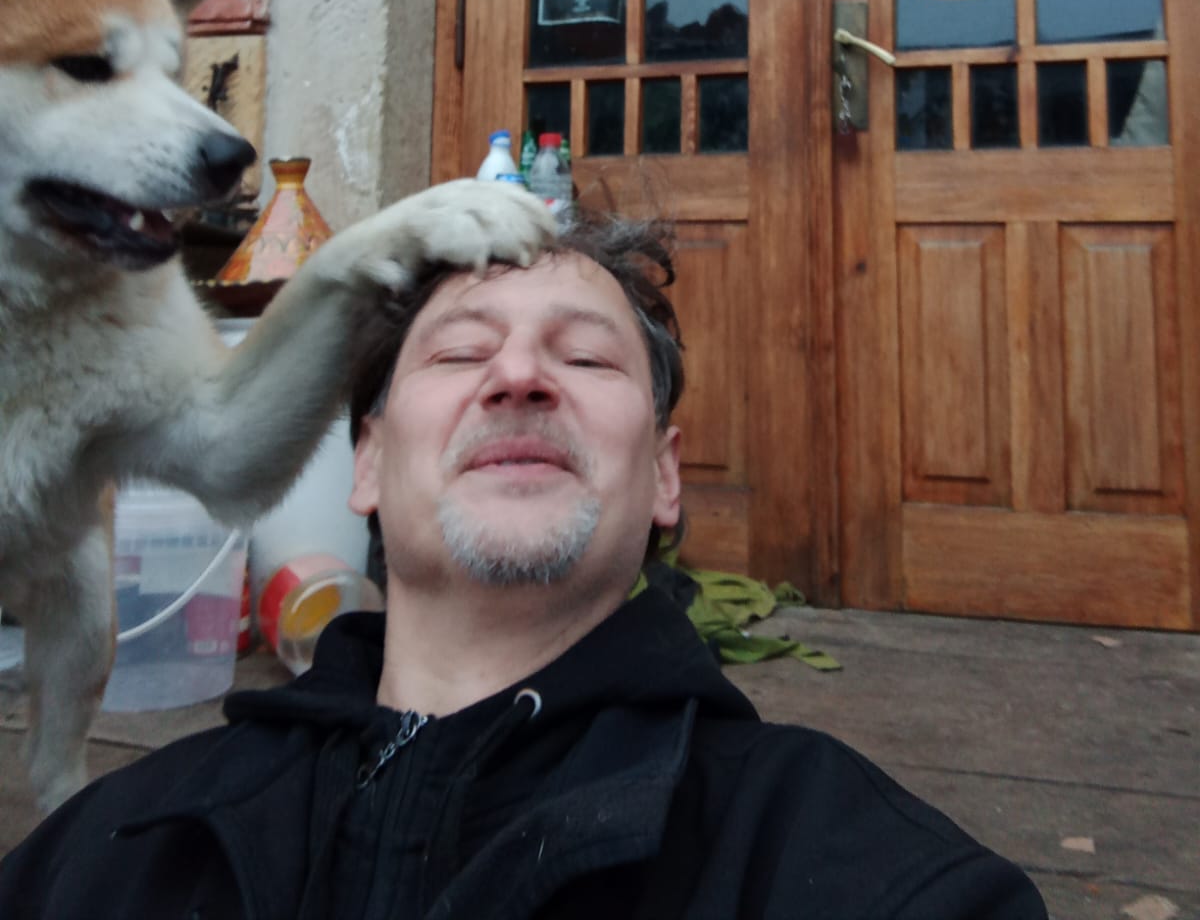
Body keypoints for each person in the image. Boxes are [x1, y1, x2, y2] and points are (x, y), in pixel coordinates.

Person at [0, 202, 1047, 919]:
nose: (518, 376)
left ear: (665, 475)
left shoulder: (840, 862)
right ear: (367, 463)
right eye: (461, 351)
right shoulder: (110, 853)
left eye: (584, 356)